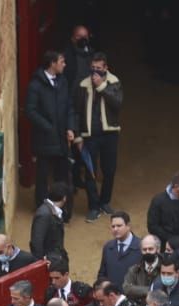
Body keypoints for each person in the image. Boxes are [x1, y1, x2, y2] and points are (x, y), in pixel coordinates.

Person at [71, 50, 121, 222]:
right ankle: (93, 206)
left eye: (99, 68)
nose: (95, 72)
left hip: (110, 134)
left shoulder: (114, 82)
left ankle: (105, 202)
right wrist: (78, 136)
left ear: (106, 68)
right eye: (93, 68)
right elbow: (76, 112)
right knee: (90, 172)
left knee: (109, 169)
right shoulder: (83, 85)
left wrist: (101, 87)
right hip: (90, 136)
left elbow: (117, 104)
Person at [23, 50, 72, 215]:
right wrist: (48, 127)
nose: (64, 65)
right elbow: (30, 111)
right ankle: (43, 210)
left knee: (62, 175)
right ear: (52, 63)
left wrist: (71, 127)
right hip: (44, 139)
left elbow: (69, 107)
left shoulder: (63, 82)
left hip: (61, 137)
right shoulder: (35, 85)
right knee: (42, 177)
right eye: (61, 61)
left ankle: (63, 211)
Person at [95, 211, 140, 287]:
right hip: (112, 297)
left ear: (128, 226)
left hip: (133, 297)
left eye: (119, 226)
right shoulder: (108, 247)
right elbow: (102, 274)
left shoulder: (141, 248)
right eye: (113, 226)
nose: (115, 229)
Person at [29, 181, 66, 259]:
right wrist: (41, 263)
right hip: (48, 261)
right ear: (64, 198)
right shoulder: (43, 214)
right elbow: (36, 242)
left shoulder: (53, 211)